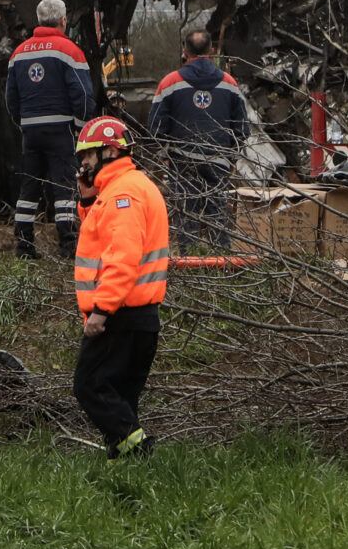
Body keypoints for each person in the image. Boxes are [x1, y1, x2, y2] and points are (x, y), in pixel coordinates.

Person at [70, 115, 168, 459]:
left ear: (109, 151)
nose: (83, 162)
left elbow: (122, 258)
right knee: (122, 396)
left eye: (88, 154)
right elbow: (103, 240)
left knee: (89, 386)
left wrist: (102, 310)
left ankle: (140, 452)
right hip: (139, 316)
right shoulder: (125, 188)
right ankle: (127, 463)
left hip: (120, 315)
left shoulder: (123, 194)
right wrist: (87, 202)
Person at [5, 0, 94, 259]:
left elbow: (11, 99)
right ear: (63, 21)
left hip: (31, 132)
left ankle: (23, 245)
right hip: (61, 130)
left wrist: (22, 123)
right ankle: (67, 246)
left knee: (29, 188)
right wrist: (81, 128)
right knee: (64, 187)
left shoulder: (18, 53)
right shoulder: (69, 51)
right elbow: (84, 96)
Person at [146, 29, 249, 249]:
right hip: (219, 161)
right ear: (211, 51)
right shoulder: (230, 84)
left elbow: (155, 128)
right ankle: (222, 266)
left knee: (186, 219)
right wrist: (231, 159)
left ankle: (188, 263)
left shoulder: (169, 83)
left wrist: (167, 156)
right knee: (218, 216)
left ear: (185, 51)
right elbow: (242, 128)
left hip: (181, 162)